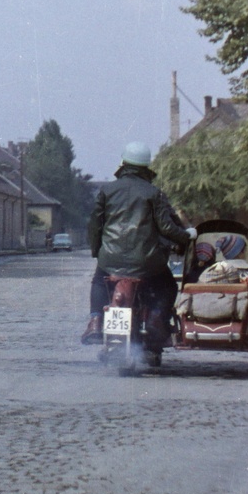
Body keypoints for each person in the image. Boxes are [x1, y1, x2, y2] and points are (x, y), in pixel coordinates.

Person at [83, 142, 194, 367]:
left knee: (98, 280)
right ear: (146, 168)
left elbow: (95, 225)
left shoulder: (107, 190)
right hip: (147, 262)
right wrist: (186, 236)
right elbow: (166, 228)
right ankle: (154, 318)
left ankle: (95, 319)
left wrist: (98, 252)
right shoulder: (154, 193)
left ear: (123, 164)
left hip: (110, 259)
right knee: (167, 285)